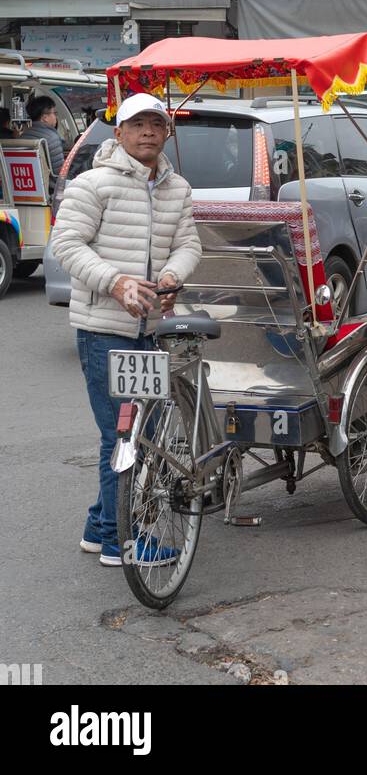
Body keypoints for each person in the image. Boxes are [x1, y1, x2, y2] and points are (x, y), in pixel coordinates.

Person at [52, 94, 201, 567]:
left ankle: (101, 528)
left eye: (156, 124)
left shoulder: (177, 188)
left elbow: (188, 242)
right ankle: (124, 543)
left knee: (145, 429)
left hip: (149, 329)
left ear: (167, 133)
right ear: (118, 133)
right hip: (104, 329)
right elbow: (66, 244)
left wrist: (174, 275)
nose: (147, 132)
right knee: (122, 436)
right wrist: (114, 282)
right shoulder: (92, 184)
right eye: (137, 124)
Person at [20, 95, 64, 176]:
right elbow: (59, 173)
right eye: (54, 113)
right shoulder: (52, 138)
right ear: (45, 117)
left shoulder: (23, 136)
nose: (55, 117)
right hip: (49, 187)